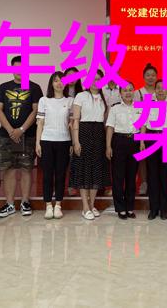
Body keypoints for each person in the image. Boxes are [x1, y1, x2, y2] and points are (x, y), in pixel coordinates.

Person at [0, 55, 43, 218]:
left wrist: (21, 130)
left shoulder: (35, 88)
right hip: (6, 136)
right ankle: (9, 204)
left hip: (28, 135)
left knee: (26, 168)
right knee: (8, 169)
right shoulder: (3, 87)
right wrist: (11, 130)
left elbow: (35, 110)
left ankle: (25, 202)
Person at [70, 69, 109, 220]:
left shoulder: (103, 98)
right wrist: (76, 141)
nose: (95, 82)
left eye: (99, 79)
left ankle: (92, 205)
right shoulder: (81, 96)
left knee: (96, 170)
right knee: (84, 169)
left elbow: (104, 121)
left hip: (99, 133)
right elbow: (75, 120)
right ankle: (85, 207)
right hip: (83, 133)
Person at [35, 71, 73, 220]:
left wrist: (72, 142)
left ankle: (58, 205)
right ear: (51, 83)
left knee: (61, 174)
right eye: (56, 81)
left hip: (64, 141)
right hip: (47, 141)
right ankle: (48, 206)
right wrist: (38, 143)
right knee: (47, 175)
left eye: (62, 81)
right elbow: (40, 123)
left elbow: (71, 125)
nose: (59, 83)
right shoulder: (44, 100)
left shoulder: (70, 101)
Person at [106, 83, 141, 219]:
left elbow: (143, 126)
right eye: (125, 90)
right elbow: (110, 127)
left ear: (134, 92)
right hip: (119, 141)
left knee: (132, 177)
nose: (128, 93)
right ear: (120, 93)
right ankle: (120, 208)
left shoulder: (140, 108)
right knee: (118, 177)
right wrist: (108, 146)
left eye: (130, 90)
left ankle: (130, 207)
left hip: (135, 141)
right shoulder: (115, 108)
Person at [139, 80, 167, 220]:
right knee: (152, 175)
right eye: (158, 88)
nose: (160, 91)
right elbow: (143, 124)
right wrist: (142, 141)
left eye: (163, 88)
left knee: (165, 176)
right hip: (151, 139)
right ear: (155, 90)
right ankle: (153, 209)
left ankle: (164, 209)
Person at [134, 63, 158, 196]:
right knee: (143, 156)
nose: (150, 77)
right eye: (148, 75)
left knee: (156, 157)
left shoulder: (160, 91)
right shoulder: (138, 93)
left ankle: (155, 182)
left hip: (157, 129)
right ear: (143, 77)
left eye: (153, 75)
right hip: (142, 129)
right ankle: (144, 182)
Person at [62, 67, 83, 197]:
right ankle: (59, 186)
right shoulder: (59, 91)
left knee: (75, 160)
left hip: (76, 130)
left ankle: (72, 185)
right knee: (62, 161)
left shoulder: (82, 93)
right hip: (62, 129)